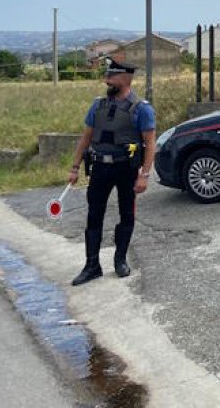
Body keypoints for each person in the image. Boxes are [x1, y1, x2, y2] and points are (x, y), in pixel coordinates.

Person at [68, 58, 156, 285]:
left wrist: (144, 175)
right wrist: (75, 167)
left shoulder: (141, 109)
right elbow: (86, 137)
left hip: (125, 168)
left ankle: (120, 259)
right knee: (93, 214)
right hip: (99, 168)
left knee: (127, 213)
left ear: (124, 79)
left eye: (111, 76)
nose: (107, 80)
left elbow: (150, 144)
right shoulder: (98, 106)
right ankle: (92, 265)